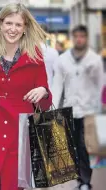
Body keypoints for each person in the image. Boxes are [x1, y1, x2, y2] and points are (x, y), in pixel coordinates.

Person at [0, 3, 52, 190]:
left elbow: (45, 103)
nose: (12, 29)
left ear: (25, 28)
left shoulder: (35, 57)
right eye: (8, 23)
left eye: (18, 25)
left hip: (20, 132)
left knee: (16, 184)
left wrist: (43, 91)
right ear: (0, 23)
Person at [52, 25, 104, 190]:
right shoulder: (63, 60)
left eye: (82, 36)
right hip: (70, 109)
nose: (79, 39)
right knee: (72, 146)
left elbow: (100, 84)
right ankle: (80, 180)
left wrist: (100, 108)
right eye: (76, 36)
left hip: (89, 111)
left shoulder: (94, 59)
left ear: (86, 38)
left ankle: (85, 182)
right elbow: (57, 84)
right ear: (72, 38)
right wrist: (53, 107)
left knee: (84, 146)